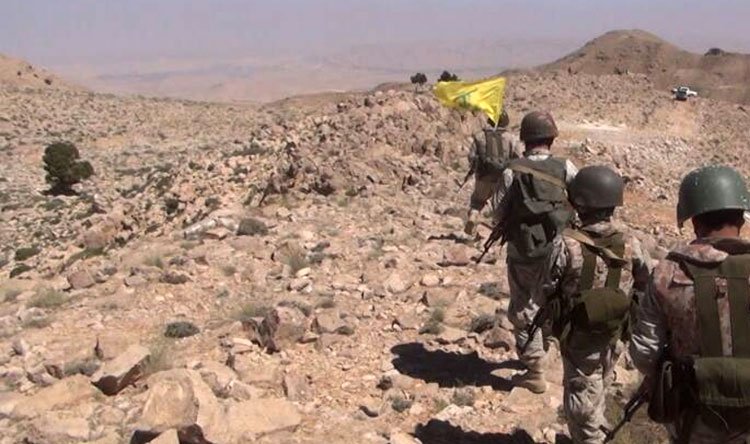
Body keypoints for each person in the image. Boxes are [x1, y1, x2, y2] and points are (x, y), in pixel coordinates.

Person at [630, 165, 750, 443]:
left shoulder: (666, 273)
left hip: (693, 416)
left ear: (694, 221)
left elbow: (644, 353)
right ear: (741, 219)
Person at [551, 166, 651, 443]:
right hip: (615, 332)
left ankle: (589, 437)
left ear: (579, 204)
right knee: (601, 382)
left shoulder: (566, 244)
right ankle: (596, 427)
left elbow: (547, 284)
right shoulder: (631, 242)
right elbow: (645, 280)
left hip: (579, 337)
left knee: (580, 397)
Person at [492, 110, 578, 393]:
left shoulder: (511, 170)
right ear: (551, 138)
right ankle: (550, 349)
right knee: (550, 300)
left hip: (523, 251)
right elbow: (581, 204)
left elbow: (497, 212)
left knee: (523, 307)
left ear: (524, 139)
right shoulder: (566, 167)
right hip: (559, 250)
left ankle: (534, 371)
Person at [463, 110, 522, 235]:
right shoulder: (511, 138)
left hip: (483, 177)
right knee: (500, 207)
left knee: (477, 202)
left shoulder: (480, 136)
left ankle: (473, 216)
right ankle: (490, 230)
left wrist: (475, 169)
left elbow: (471, 157)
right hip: (502, 179)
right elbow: (519, 158)